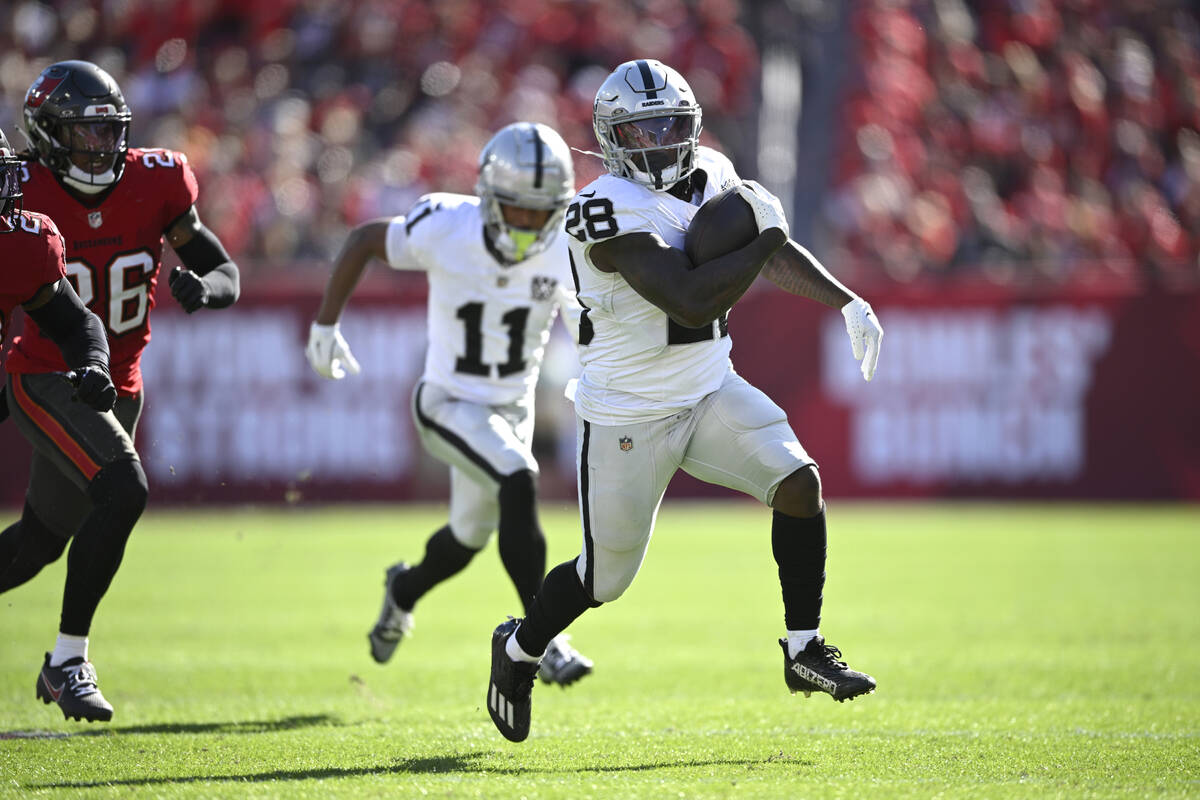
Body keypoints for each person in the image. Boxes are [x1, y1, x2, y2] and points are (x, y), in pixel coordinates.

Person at [485, 60, 885, 742]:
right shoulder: (599, 207)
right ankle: (518, 650)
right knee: (601, 580)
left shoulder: (716, 174)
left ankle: (802, 647)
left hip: (708, 386)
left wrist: (844, 299)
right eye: (641, 130)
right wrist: (763, 233)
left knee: (798, 481)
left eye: (670, 124)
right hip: (627, 415)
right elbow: (689, 294)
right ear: (612, 139)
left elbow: (769, 249)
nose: (660, 140)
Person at [306, 121, 593, 687]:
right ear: (488, 197)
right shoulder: (447, 224)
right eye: (520, 210)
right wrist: (325, 324)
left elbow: (589, 327)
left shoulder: (564, 248)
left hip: (511, 410)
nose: (532, 225)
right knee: (518, 477)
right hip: (446, 401)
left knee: (466, 540)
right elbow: (366, 238)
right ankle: (544, 635)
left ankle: (402, 589)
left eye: (543, 212)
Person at [0, 61, 241, 723]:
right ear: (48, 135)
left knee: (37, 547)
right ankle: (68, 660)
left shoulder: (157, 179)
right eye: (83, 133)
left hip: (117, 383)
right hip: (48, 372)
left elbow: (220, 268)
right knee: (124, 487)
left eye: (109, 132)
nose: (101, 147)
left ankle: (63, 660)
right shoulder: (23, 193)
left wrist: (207, 290)